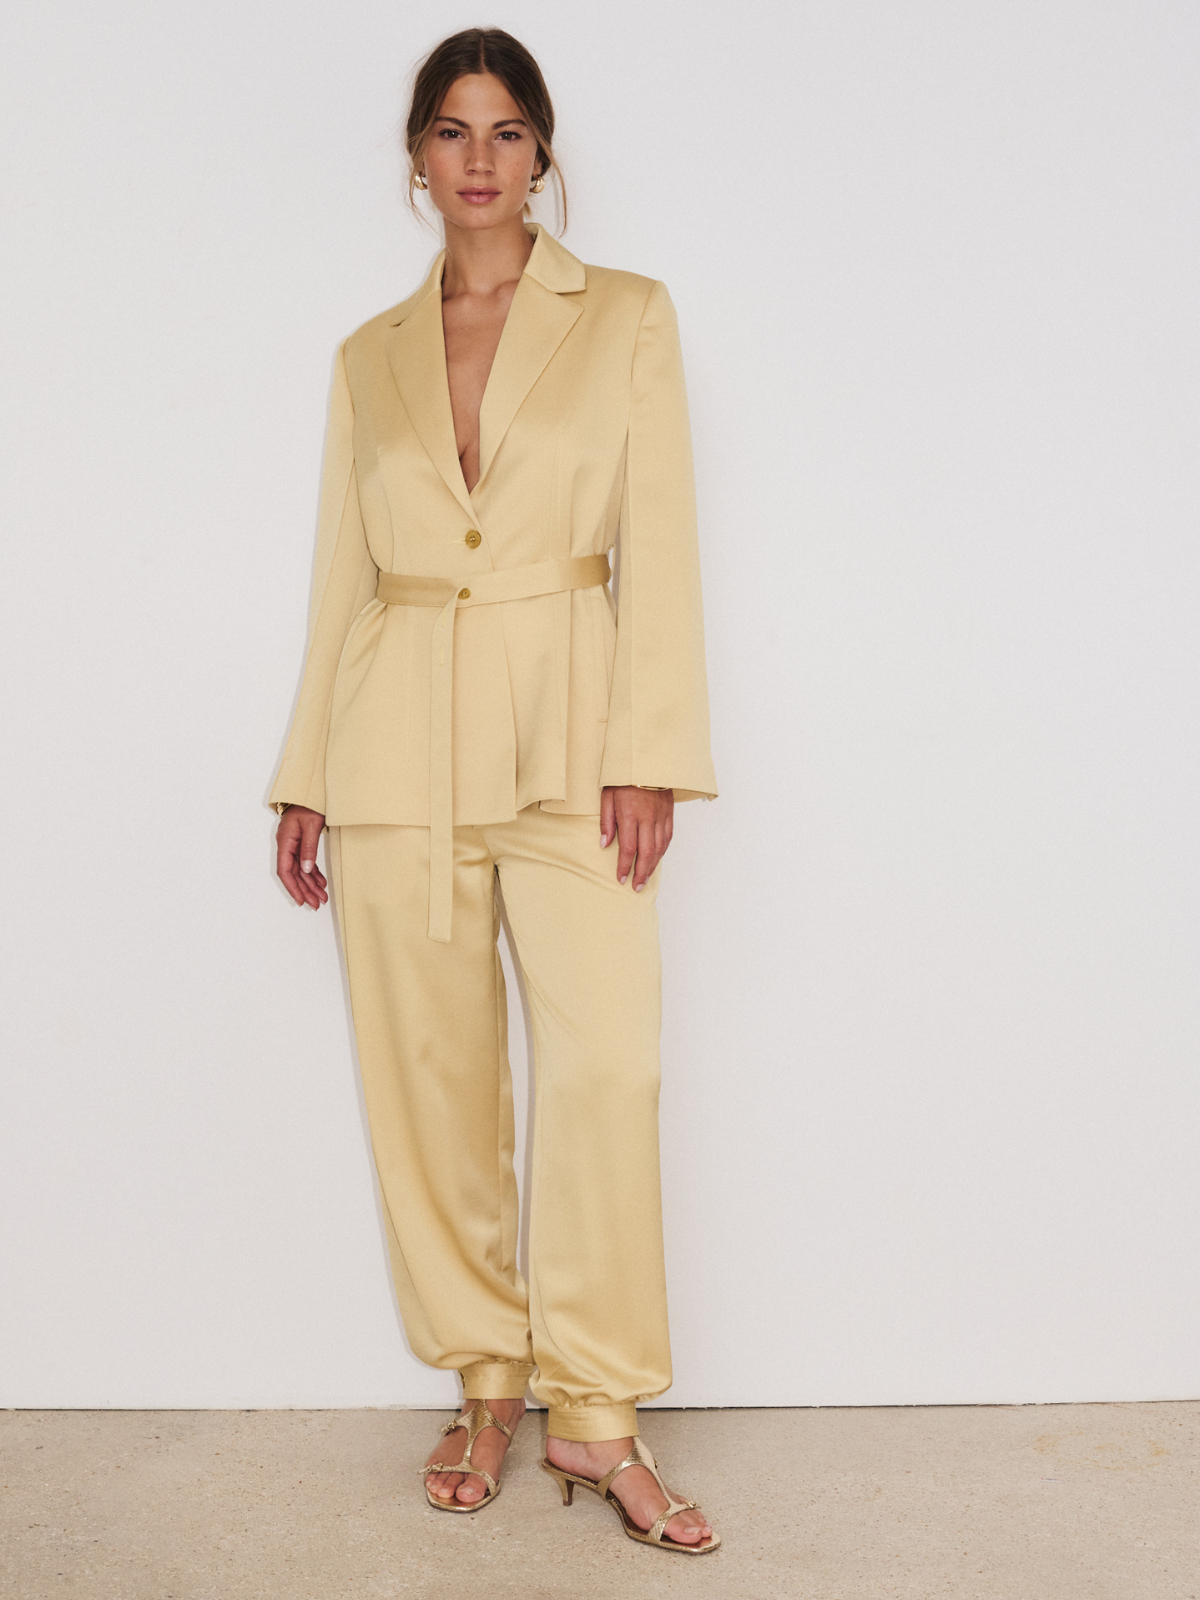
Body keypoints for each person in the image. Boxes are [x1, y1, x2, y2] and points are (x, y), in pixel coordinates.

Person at [270, 27, 719, 1554]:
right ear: (417, 155)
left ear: (542, 154)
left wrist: (649, 751)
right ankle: (484, 1379)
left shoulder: (628, 316)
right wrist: (308, 774)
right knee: (431, 1081)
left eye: (507, 131)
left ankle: (596, 1409)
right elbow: (344, 574)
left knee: (607, 1070)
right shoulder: (368, 355)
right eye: (453, 131)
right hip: (391, 738)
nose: (480, 158)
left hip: (573, 733)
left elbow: (661, 539)